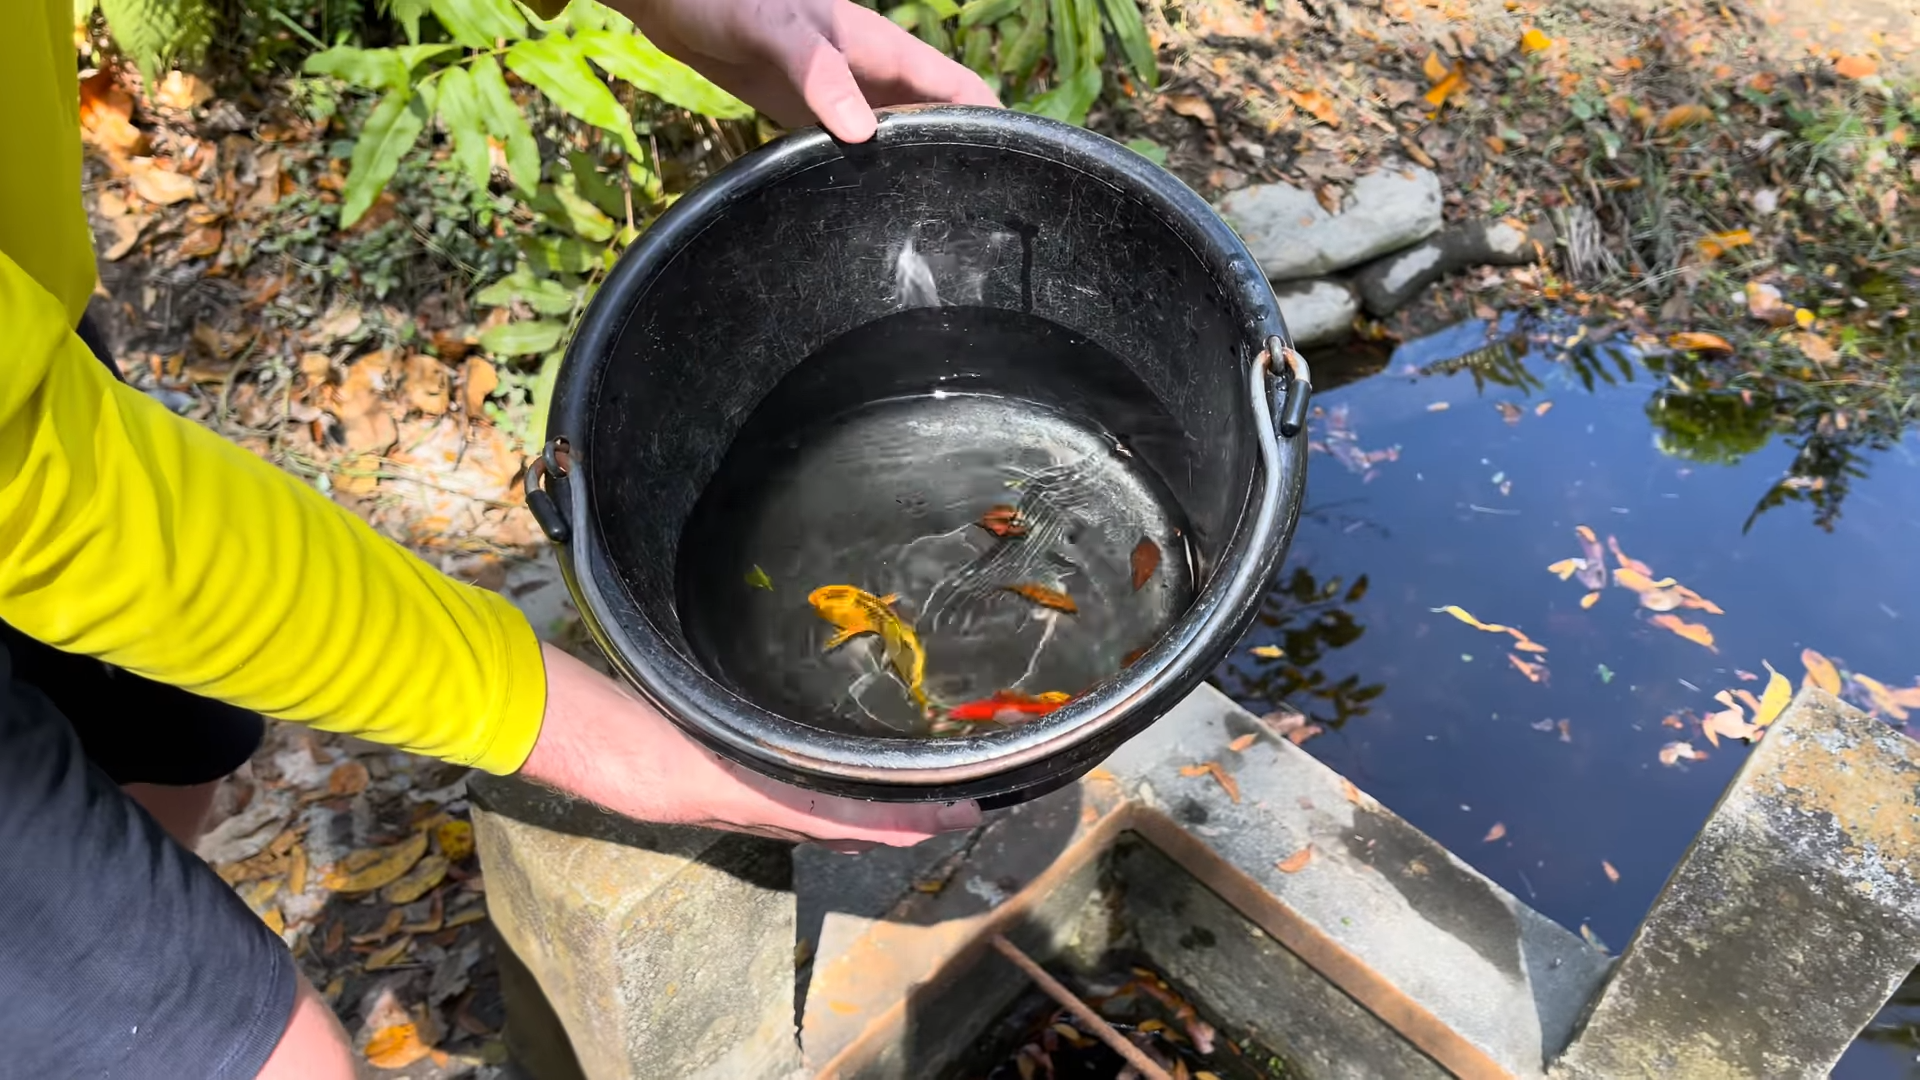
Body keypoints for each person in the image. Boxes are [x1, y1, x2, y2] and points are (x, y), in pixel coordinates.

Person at [1, 1, 1000, 1076]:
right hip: (32, 454)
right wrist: (609, 748)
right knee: (263, 1053)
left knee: (176, 747)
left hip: (31, 343)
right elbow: (48, 499)